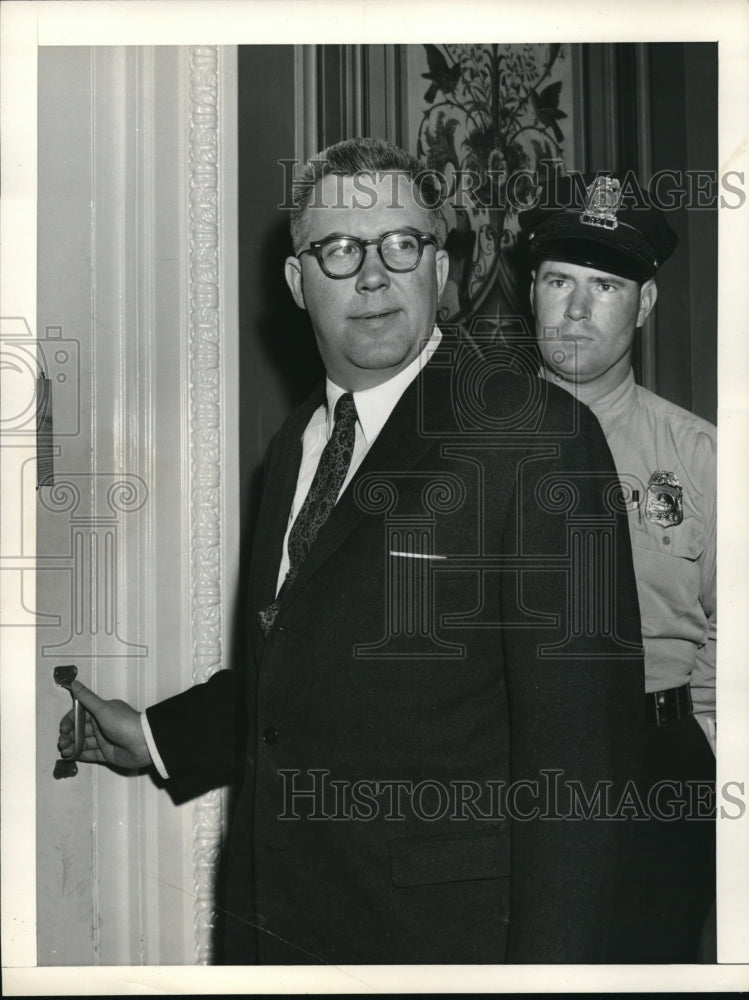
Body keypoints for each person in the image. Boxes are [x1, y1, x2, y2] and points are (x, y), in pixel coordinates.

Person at [60, 138, 646, 965]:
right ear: (297, 281)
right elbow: (314, 671)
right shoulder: (295, 447)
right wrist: (159, 735)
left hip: (446, 951)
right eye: (338, 249)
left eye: (400, 243)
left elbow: (583, 764)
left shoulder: (536, 438)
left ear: (439, 266)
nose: (372, 275)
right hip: (280, 934)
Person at [520, 173, 717, 962]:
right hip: (511, 767)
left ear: (644, 303)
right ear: (530, 290)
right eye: (557, 281)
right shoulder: (462, 452)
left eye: (604, 286)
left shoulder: (700, 457)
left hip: (656, 770)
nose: (574, 309)